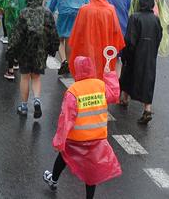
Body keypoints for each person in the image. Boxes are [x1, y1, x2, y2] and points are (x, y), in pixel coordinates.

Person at [43, 56, 121, 198]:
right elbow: (114, 95)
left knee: (64, 156)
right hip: (97, 138)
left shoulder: (73, 91)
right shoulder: (100, 85)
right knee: (92, 172)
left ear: (76, 71)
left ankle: (53, 180)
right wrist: (109, 74)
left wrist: (59, 142)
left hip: (76, 139)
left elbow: (66, 120)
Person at [6, 0, 59, 118]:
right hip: (40, 52)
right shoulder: (47, 14)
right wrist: (52, 49)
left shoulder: (23, 13)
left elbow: (16, 36)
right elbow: (53, 35)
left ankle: (24, 106)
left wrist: (11, 53)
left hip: (25, 52)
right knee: (36, 77)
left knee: (25, 77)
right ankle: (36, 100)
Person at [119, 0, 162, 124]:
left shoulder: (135, 17)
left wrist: (126, 54)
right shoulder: (155, 19)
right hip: (149, 55)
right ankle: (147, 109)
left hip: (135, 54)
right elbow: (159, 36)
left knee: (128, 75)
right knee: (148, 80)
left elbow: (130, 39)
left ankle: (125, 98)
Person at [69, 0, 125, 80]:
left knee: (88, 72)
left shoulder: (84, 10)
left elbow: (77, 32)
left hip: (88, 48)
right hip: (105, 48)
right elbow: (116, 31)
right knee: (104, 73)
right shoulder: (110, 9)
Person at [48, 0, 89, 76]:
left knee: (60, 38)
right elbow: (86, 0)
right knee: (70, 38)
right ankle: (69, 63)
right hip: (78, 14)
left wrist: (49, 11)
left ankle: (64, 60)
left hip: (64, 13)